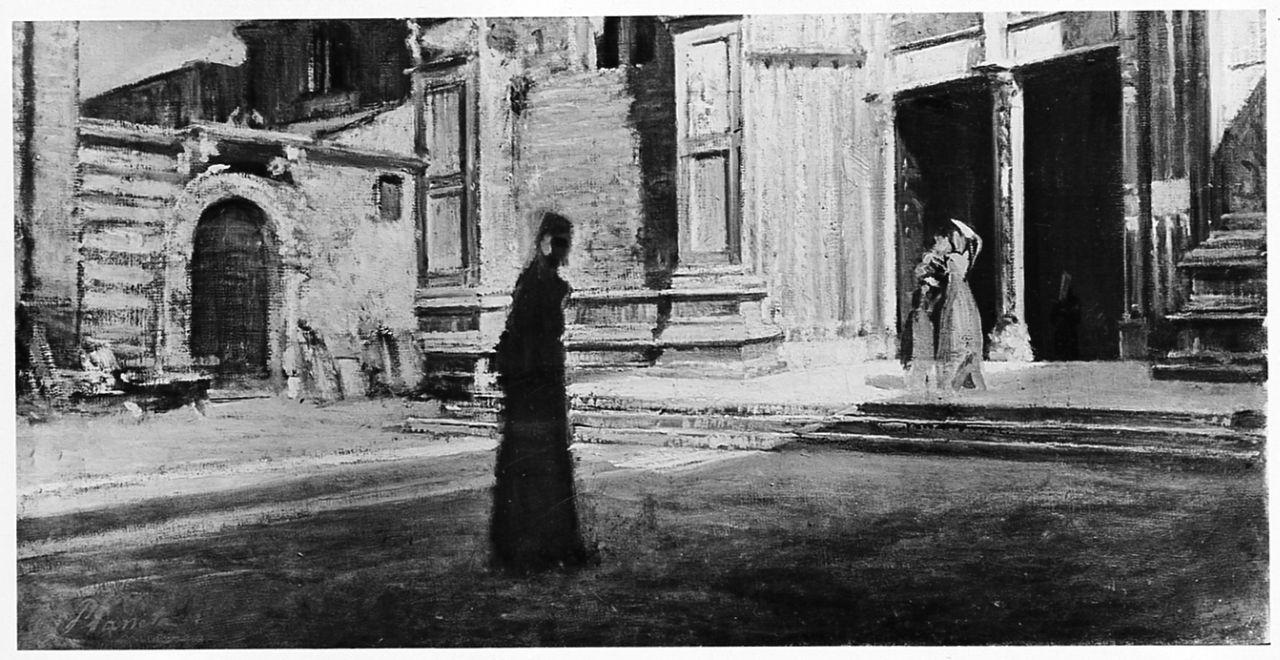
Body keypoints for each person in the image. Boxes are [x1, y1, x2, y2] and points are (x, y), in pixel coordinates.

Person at [490, 212, 589, 573]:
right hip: (537, 387)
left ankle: (531, 547)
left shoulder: (535, 284)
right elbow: (522, 338)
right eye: (561, 243)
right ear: (547, 242)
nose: (565, 251)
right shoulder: (543, 287)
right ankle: (544, 547)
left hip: (531, 388)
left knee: (530, 466)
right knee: (540, 465)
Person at [935, 219, 987, 391]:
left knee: (956, 329)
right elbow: (977, 242)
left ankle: (957, 377)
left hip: (956, 295)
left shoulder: (953, 257)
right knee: (963, 328)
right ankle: (963, 375)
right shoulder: (965, 256)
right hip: (961, 294)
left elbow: (977, 241)